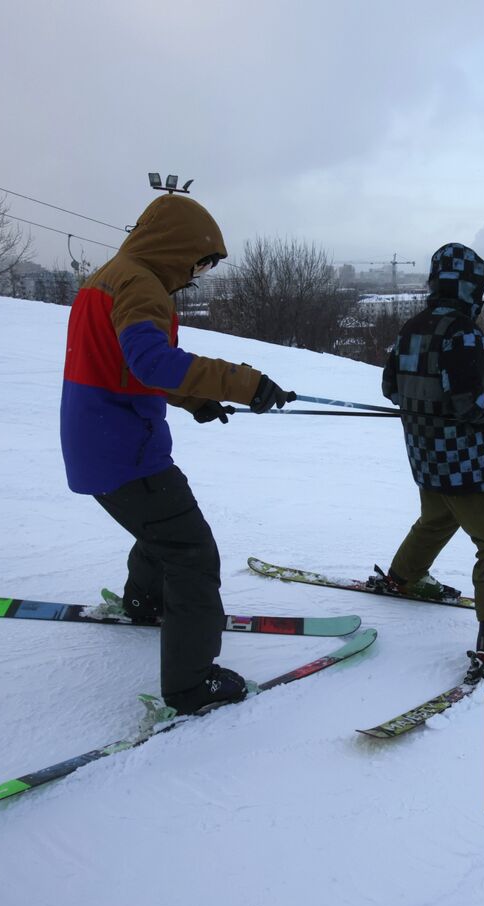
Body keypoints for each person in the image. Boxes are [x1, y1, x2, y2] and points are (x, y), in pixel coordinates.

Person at [60, 193, 291, 715]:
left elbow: (125, 366)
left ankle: (145, 601)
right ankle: (191, 684)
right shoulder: (142, 285)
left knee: (161, 529)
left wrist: (195, 399)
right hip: (125, 449)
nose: (198, 273)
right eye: (200, 260)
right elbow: (151, 362)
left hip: (96, 439)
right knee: (191, 553)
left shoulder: (111, 276)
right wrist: (245, 383)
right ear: (177, 247)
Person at [373, 243, 484, 681]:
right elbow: (470, 403)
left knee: (438, 517)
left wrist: (425, 405)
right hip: (464, 461)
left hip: (423, 453)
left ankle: (403, 577)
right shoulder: (462, 331)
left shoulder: (412, 327)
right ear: (468, 288)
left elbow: (390, 387)